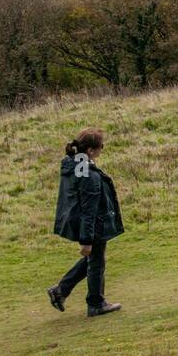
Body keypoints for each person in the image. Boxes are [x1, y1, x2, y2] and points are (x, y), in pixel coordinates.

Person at [48, 128, 123, 317]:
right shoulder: (88, 175)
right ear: (90, 150)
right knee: (96, 261)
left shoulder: (75, 165)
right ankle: (96, 303)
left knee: (94, 259)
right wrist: (86, 239)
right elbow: (88, 210)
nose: (101, 150)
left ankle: (61, 291)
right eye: (100, 147)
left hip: (87, 223)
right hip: (93, 224)